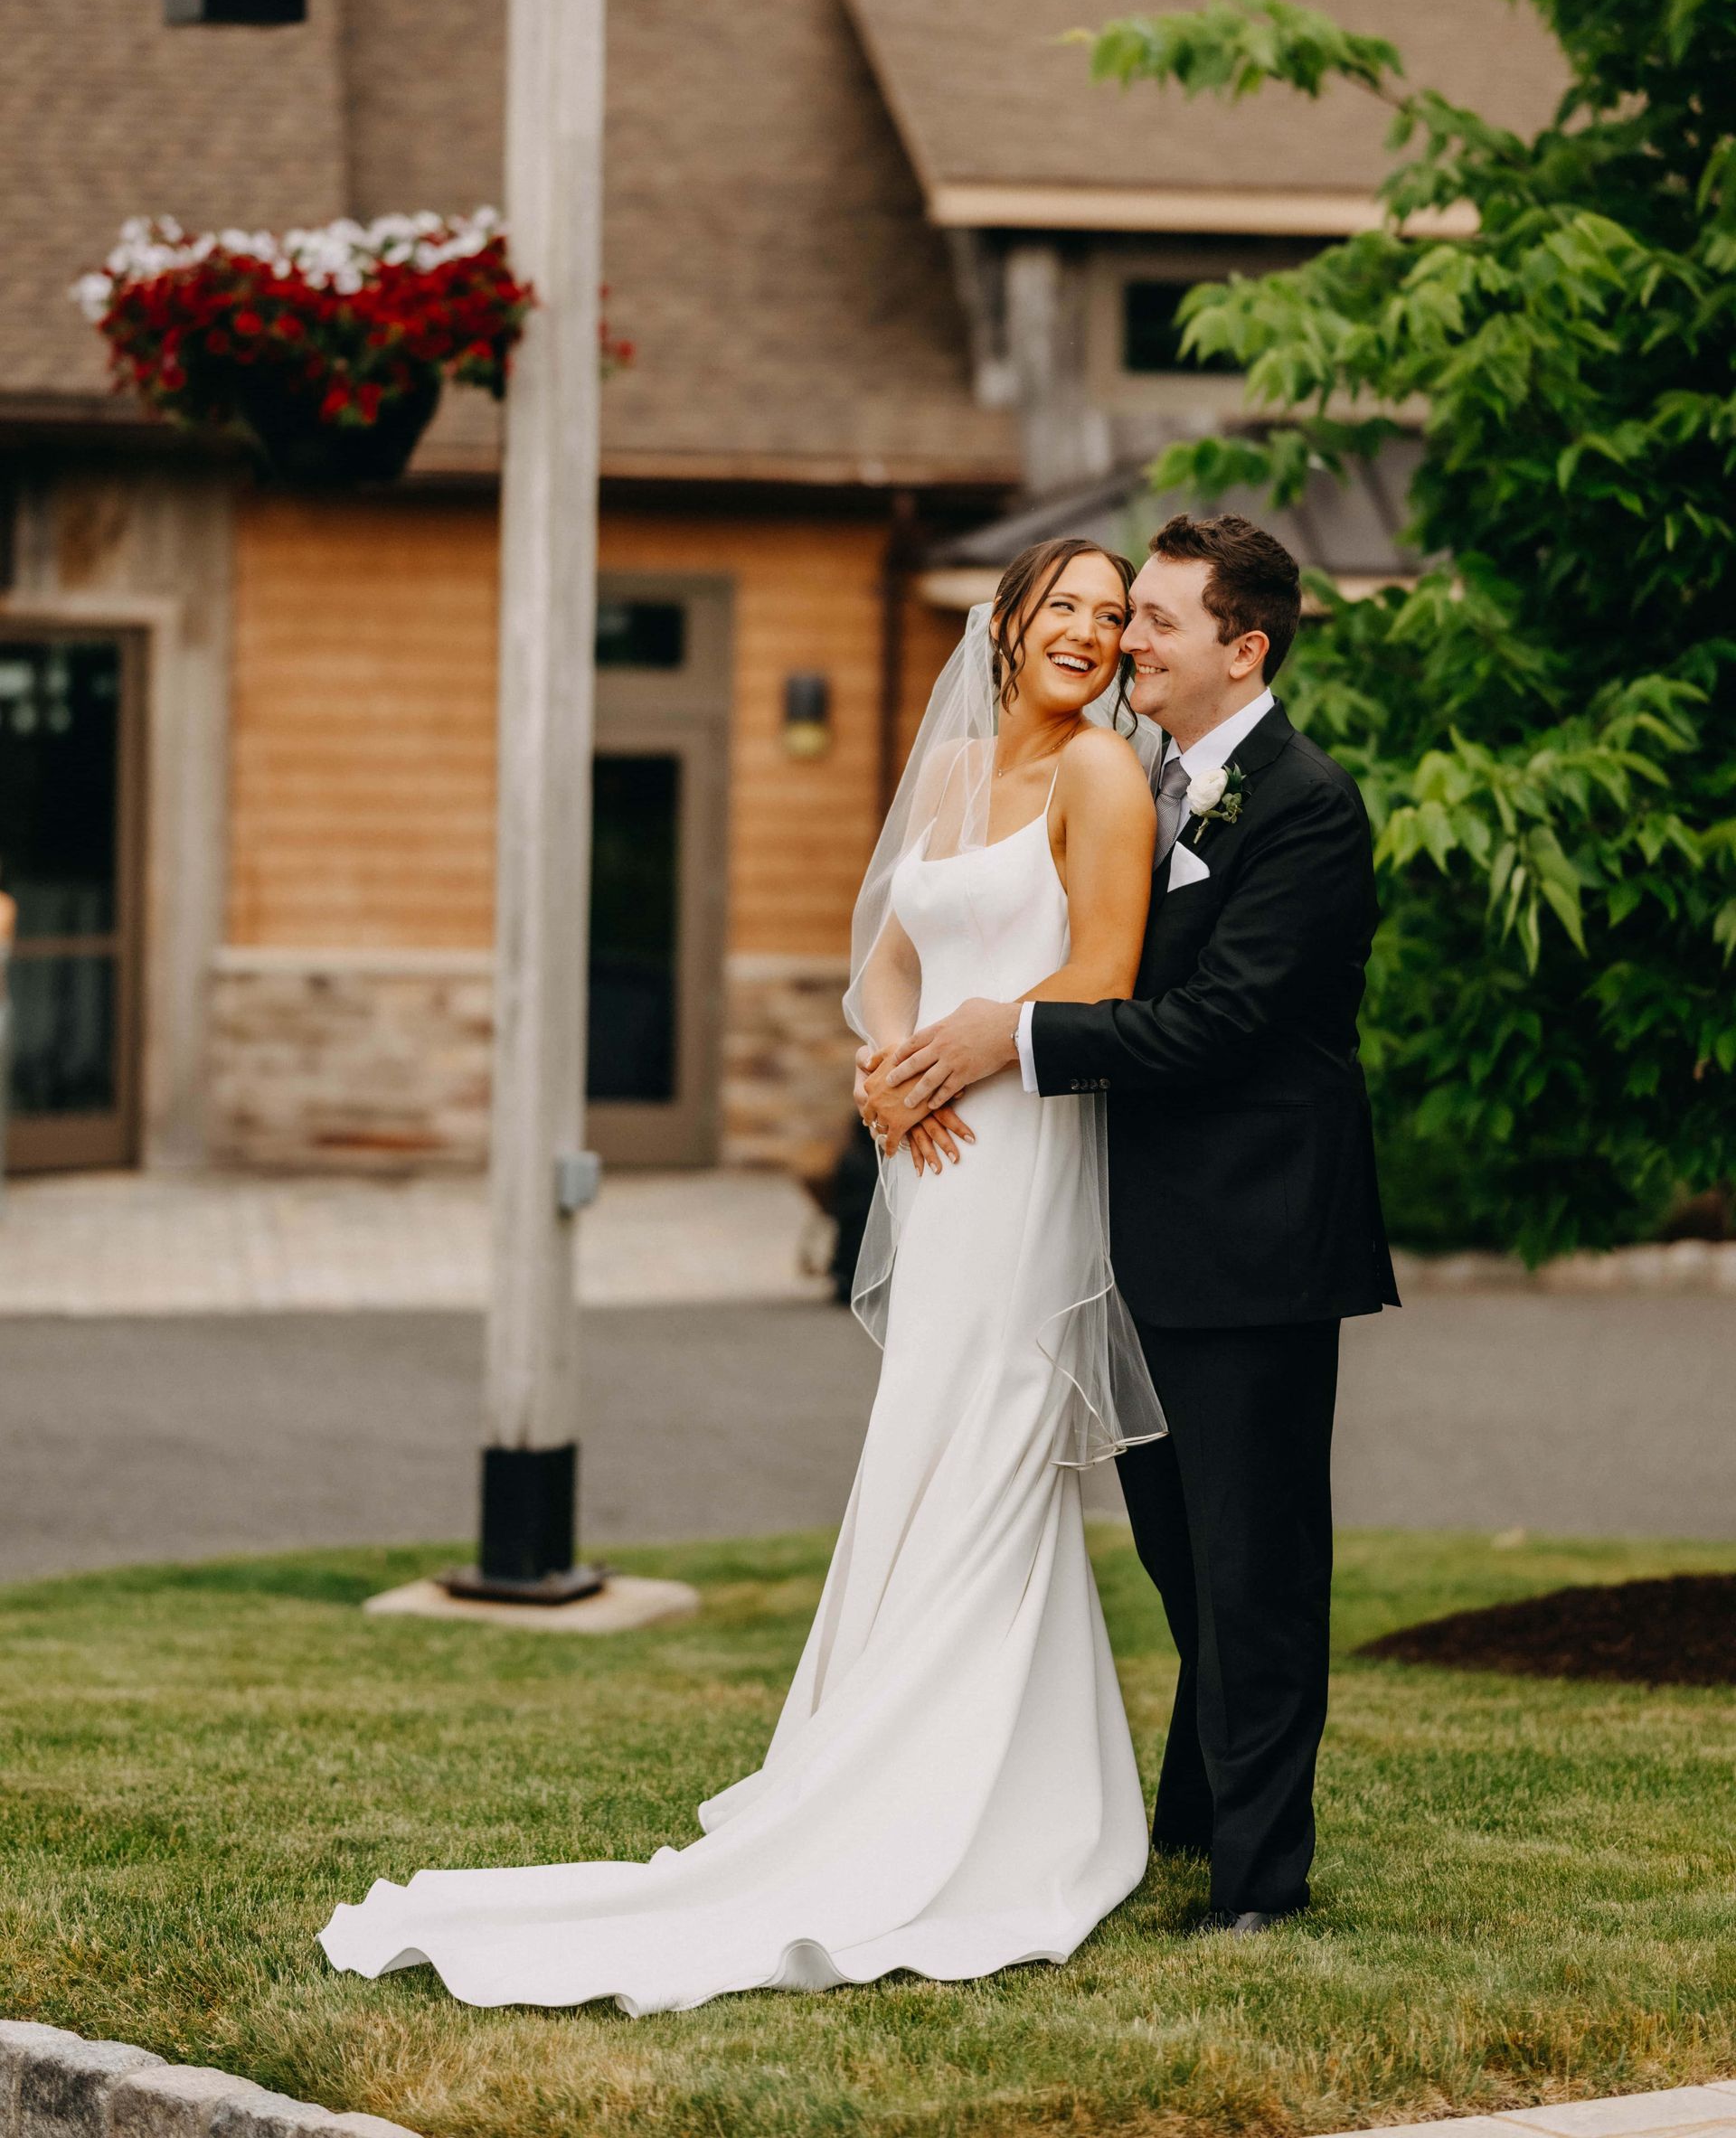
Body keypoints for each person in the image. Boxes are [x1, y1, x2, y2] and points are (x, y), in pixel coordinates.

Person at [318, 537, 1167, 2016]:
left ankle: (981, 1805)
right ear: (1009, 621)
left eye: (1111, 617)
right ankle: (872, 1771)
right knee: (920, 1440)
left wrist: (950, 1054)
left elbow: (1099, 975)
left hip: (1026, 1155)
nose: (1087, 635)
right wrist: (882, 1062)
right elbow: (892, 951)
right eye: (1066, 609)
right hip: (938, 1153)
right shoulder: (959, 771)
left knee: (997, 1443)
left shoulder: (1106, 780)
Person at [877, 513, 1398, 1934]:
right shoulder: (1153, 779)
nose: (1129, 644)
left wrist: (1012, 1043)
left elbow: (1226, 1023)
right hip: (1135, 1233)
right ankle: (1194, 1821)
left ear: (1246, 648)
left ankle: (1259, 1888)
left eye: (1157, 621)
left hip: (1255, 1245)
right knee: (1185, 1558)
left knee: (1258, 1566)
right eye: (1125, 615)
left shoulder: (1305, 804)